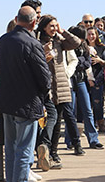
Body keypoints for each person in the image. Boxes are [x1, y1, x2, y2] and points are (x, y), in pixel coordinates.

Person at [0, 6, 51, 182]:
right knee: (24, 149)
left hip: (5, 102)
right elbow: (45, 79)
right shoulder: (32, 43)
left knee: (10, 148)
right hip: (26, 103)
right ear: (34, 23)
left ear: (17, 19)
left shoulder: (3, 40)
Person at [36, 15, 85, 169]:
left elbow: (76, 43)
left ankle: (53, 153)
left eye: (55, 25)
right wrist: (45, 56)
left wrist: (62, 31)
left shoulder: (58, 40)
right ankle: (45, 150)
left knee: (58, 121)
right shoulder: (39, 42)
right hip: (48, 86)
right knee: (51, 118)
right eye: (51, 26)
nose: (54, 28)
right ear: (44, 27)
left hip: (62, 85)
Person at [68, 25, 105, 149]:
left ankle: (93, 139)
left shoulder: (85, 47)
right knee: (71, 111)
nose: (83, 40)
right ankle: (71, 140)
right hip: (70, 80)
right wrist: (81, 61)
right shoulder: (67, 46)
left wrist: (81, 62)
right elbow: (77, 62)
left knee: (88, 110)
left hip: (81, 79)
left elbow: (87, 62)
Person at [86, 26, 105, 133]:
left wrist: (100, 60)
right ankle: (88, 125)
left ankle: (100, 123)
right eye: (89, 34)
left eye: (93, 34)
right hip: (85, 79)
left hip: (98, 79)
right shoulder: (83, 47)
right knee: (86, 104)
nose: (91, 36)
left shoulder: (102, 48)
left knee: (98, 102)